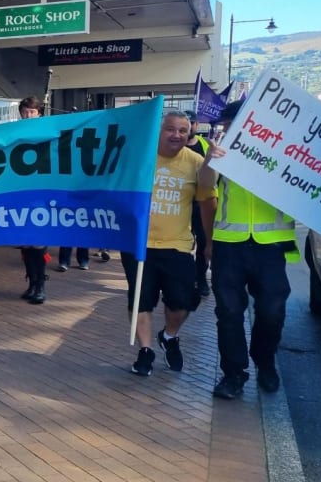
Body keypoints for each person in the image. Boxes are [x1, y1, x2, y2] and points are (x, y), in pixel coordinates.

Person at [201, 100, 298, 399]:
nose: (230, 132)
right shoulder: (222, 152)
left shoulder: (286, 153)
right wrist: (209, 162)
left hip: (270, 247)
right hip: (229, 246)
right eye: (227, 127)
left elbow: (313, 194)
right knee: (228, 312)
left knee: (272, 311)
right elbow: (205, 188)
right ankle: (233, 374)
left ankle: (264, 360)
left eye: (235, 125)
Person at [123, 111, 216, 377]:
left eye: (182, 131)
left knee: (182, 302)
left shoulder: (196, 162)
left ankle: (170, 335)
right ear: (159, 130)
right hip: (138, 243)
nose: (176, 135)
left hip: (177, 245)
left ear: (189, 135)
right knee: (140, 300)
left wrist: (210, 243)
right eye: (170, 129)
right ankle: (145, 351)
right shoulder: (140, 156)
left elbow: (208, 198)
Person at [16, 96, 50, 304]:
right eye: (25, 111)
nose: (28, 115)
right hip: (20, 195)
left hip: (41, 195)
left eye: (32, 112)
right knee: (26, 244)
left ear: (39, 113)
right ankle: (31, 283)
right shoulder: (15, 133)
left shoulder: (48, 132)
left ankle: (40, 286)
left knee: (38, 243)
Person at [183, 110, 212, 298]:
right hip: (179, 204)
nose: (188, 127)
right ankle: (183, 278)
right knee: (182, 244)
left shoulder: (205, 146)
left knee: (202, 243)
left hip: (201, 204)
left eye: (191, 123)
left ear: (196, 125)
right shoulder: (171, 146)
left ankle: (200, 278)